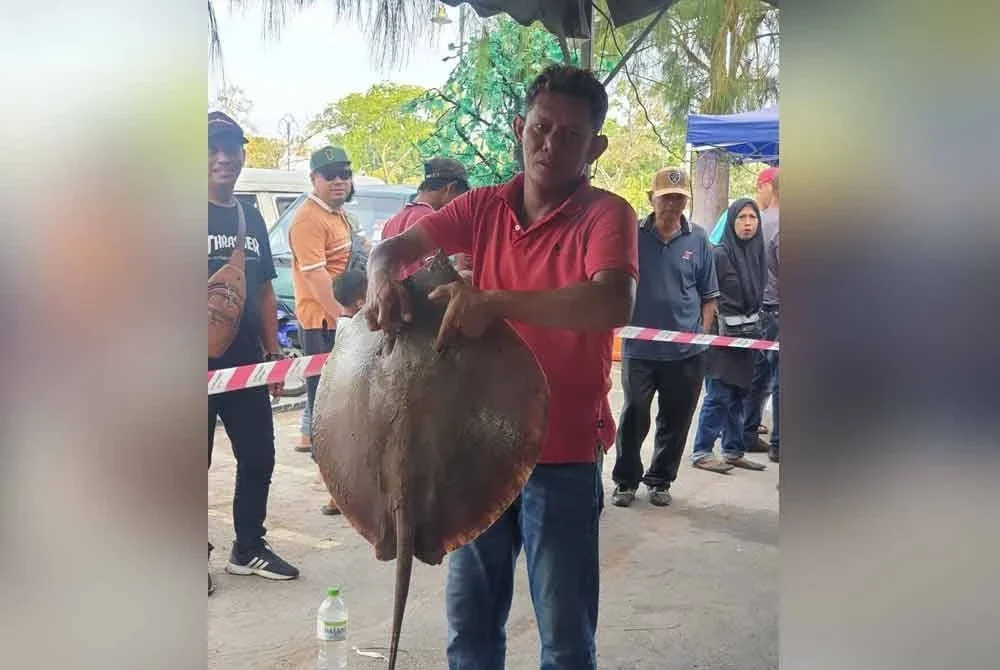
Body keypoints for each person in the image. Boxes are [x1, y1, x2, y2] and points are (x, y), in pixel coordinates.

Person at [363, 64, 637, 670]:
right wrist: (381, 275)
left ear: (595, 147)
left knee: (564, 636)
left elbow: (612, 300)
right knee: (471, 625)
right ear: (519, 128)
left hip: (563, 451)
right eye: (541, 128)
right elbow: (394, 248)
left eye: (571, 135)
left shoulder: (606, 214)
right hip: (477, 442)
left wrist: (495, 303)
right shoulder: (483, 207)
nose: (550, 145)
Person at [208, 111, 299, 593]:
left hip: (244, 364)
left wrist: (273, 353)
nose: (223, 157)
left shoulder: (251, 218)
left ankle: (247, 547)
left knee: (259, 456)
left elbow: (264, 290)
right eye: (212, 148)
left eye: (231, 148)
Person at [611, 167, 720, 507]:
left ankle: (660, 480)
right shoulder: (632, 235)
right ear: (651, 199)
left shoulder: (698, 239)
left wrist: (700, 335)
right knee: (634, 414)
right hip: (640, 349)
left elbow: (709, 296)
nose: (673, 205)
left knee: (676, 419)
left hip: (685, 353)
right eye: (666, 198)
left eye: (679, 199)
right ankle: (626, 481)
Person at [287, 147, 357, 507]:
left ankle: (341, 480)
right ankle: (331, 486)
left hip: (341, 320)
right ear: (313, 179)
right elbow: (317, 280)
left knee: (345, 404)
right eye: (330, 176)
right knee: (325, 407)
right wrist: (346, 321)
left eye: (344, 174)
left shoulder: (338, 213)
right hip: (323, 324)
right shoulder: (308, 220)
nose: (339, 181)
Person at [690, 197, 768, 472]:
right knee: (718, 395)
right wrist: (706, 332)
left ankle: (733, 450)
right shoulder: (719, 254)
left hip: (748, 336)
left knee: (739, 394)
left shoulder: (758, 253)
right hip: (720, 338)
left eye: (752, 218)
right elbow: (705, 296)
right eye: (741, 218)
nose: (747, 224)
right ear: (731, 222)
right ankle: (702, 451)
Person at [743, 168, 780, 462]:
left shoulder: (756, 222)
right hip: (780, 308)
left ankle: (747, 431)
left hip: (757, 308)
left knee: (758, 376)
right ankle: (779, 442)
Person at [381, 157, 470, 279]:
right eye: (461, 197)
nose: (460, 205)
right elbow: (441, 280)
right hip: (426, 291)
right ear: (451, 188)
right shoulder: (436, 223)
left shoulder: (391, 222)